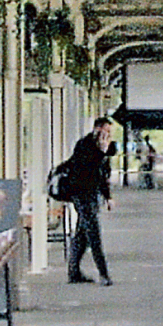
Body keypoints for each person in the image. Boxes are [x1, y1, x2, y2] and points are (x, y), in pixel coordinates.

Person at [64, 117, 116, 285]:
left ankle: (74, 273)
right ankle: (104, 274)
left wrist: (107, 196)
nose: (108, 135)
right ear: (97, 129)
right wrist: (101, 152)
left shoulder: (101, 149)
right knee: (93, 233)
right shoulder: (84, 145)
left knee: (82, 235)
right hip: (81, 195)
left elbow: (103, 175)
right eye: (106, 131)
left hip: (92, 195)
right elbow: (89, 168)